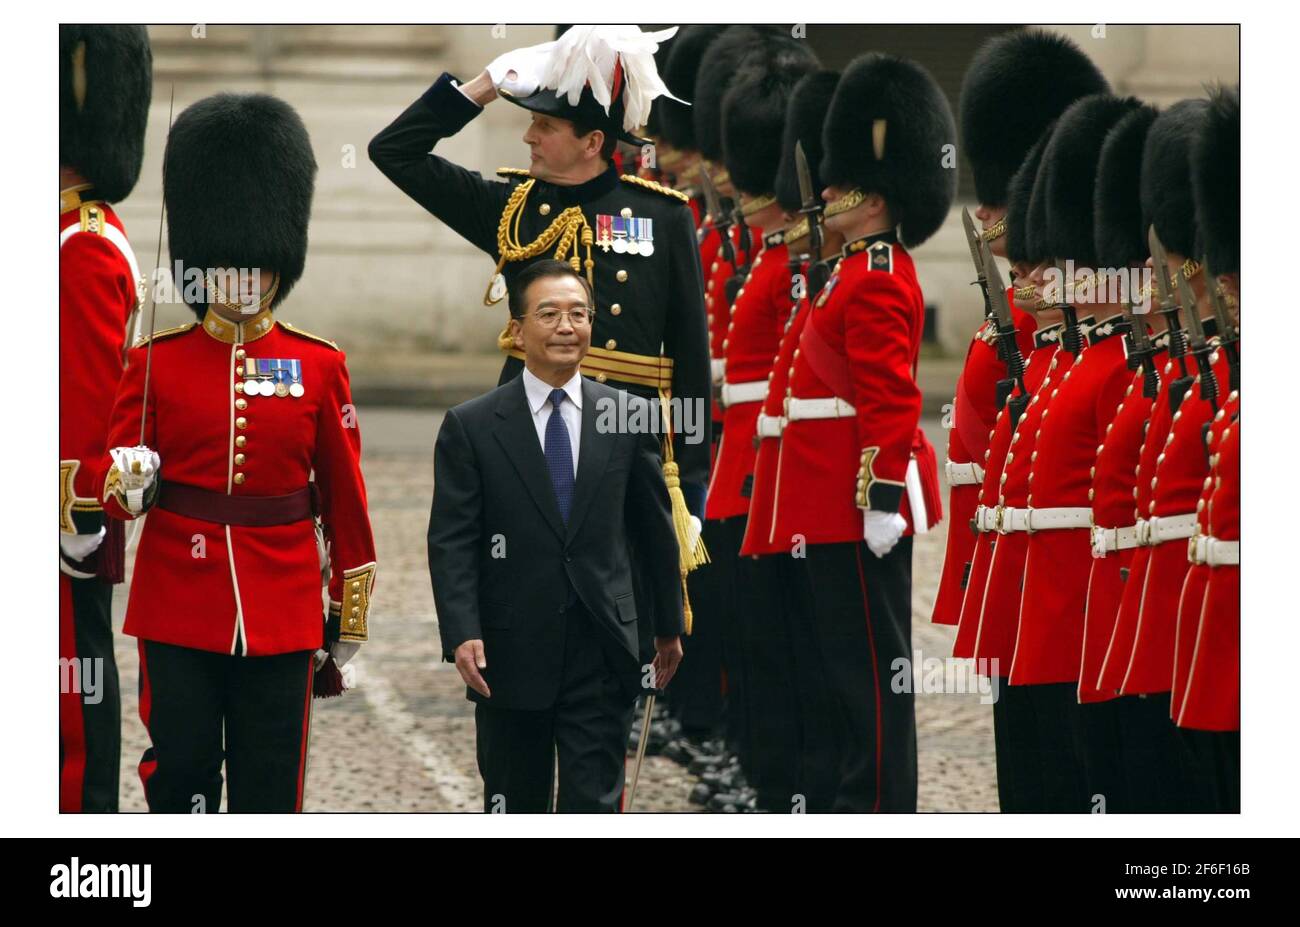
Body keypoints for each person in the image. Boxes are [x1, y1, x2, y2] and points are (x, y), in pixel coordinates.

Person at [100, 93, 376, 813]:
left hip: (281, 601)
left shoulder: (319, 364)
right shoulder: (155, 360)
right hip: (177, 600)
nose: (243, 281)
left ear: (280, 265)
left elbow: (345, 491)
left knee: (270, 778)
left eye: (256, 267)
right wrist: (127, 482)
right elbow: (115, 481)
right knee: (182, 768)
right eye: (227, 267)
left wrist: (347, 610)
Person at [368, 26, 711, 524]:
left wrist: (692, 481)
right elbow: (393, 151)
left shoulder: (662, 216)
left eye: (545, 126)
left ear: (593, 141)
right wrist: (480, 87)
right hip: (531, 421)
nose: (529, 136)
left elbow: (690, 356)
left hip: (626, 427)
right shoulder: (509, 207)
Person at [428, 259, 685, 812]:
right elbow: (452, 540)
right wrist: (461, 631)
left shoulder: (630, 416)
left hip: (602, 648)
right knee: (514, 800)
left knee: (592, 804)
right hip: (509, 651)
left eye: (578, 314)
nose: (566, 326)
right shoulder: (471, 426)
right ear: (518, 330)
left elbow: (654, 531)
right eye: (549, 314)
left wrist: (667, 627)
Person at [768, 52, 951, 812]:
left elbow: (889, 399)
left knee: (870, 674)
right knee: (835, 671)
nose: (828, 195)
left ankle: (879, 808)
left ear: (875, 199)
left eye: (841, 187)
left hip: (853, 506)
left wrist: (880, 497)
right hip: (822, 501)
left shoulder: (875, 275)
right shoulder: (848, 269)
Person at [932, 29, 1105, 629]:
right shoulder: (1018, 304)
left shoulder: (1062, 314)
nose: (983, 211)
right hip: (1001, 544)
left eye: (1001, 197)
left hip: (1045, 561)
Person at [58, 23, 152, 813]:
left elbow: (88, 400)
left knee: (66, 719)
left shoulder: (83, 244)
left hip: (60, 521)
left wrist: (76, 510)